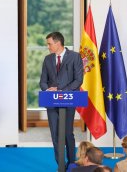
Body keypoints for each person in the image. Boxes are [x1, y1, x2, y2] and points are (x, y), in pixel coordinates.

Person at [40, 32, 83, 166]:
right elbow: (43, 81)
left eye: (49, 44)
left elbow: (78, 80)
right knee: (55, 134)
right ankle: (61, 165)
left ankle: (71, 163)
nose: (48, 46)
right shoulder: (47, 59)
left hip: (69, 100)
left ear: (58, 43)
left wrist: (60, 91)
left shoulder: (75, 57)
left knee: (67, 133)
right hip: (51, 102)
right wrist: (47, 89)